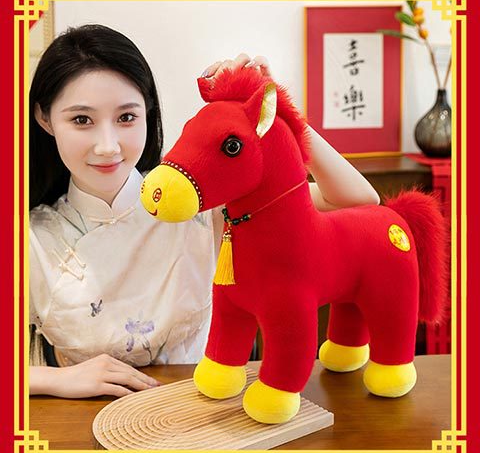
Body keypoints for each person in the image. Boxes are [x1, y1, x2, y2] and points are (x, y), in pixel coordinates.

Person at [29, 25, 379, 399]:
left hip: (208, 406)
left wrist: (277, 114)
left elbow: (357, 201)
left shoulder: (201, 203)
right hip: (87, 420)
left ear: (148, 112)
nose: (107, 146)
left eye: (126, 117)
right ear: (45, 118)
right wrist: (57, 379)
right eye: (81, 120)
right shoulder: (31, 238)